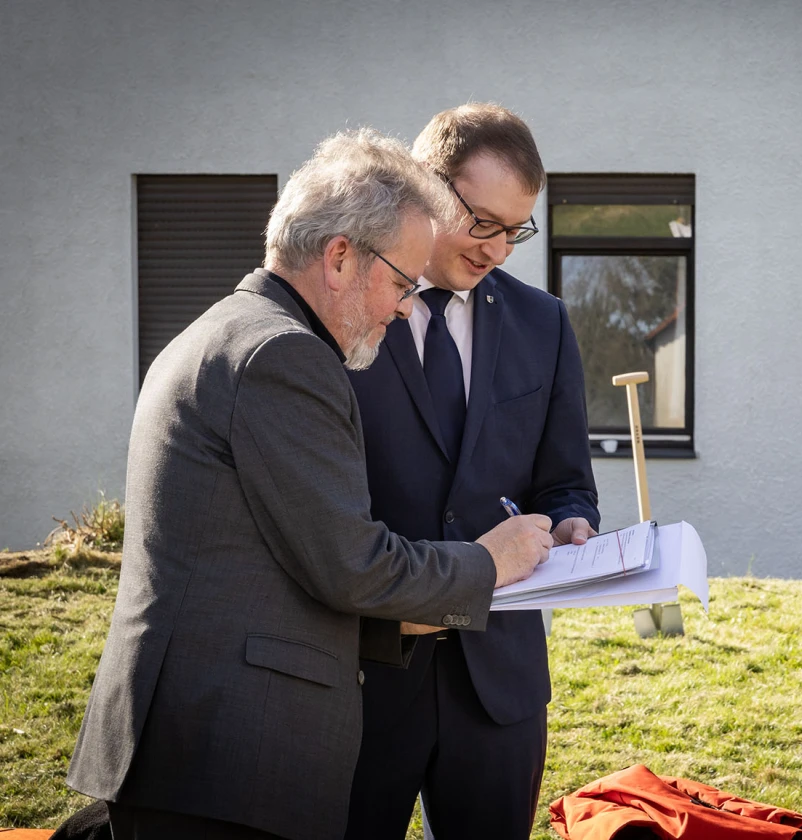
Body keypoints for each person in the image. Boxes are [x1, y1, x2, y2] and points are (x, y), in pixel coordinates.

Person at [65, 128, 555, 840]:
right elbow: (351, 566)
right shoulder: (284, 357)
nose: (404, 307)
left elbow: (280, 565)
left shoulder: (233, 329)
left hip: (202, 750)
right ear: (339, 257)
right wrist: (490, 563)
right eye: (401, 283)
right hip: (225, 759)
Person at [342, 104, 599, 840]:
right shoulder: (347, 312)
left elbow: (566, 481)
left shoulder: (544, 323)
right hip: (364, 678)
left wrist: (573, 520)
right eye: (481, 222)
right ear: (424, 187)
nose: (496, 250)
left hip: (499, 682)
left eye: (515, 231)